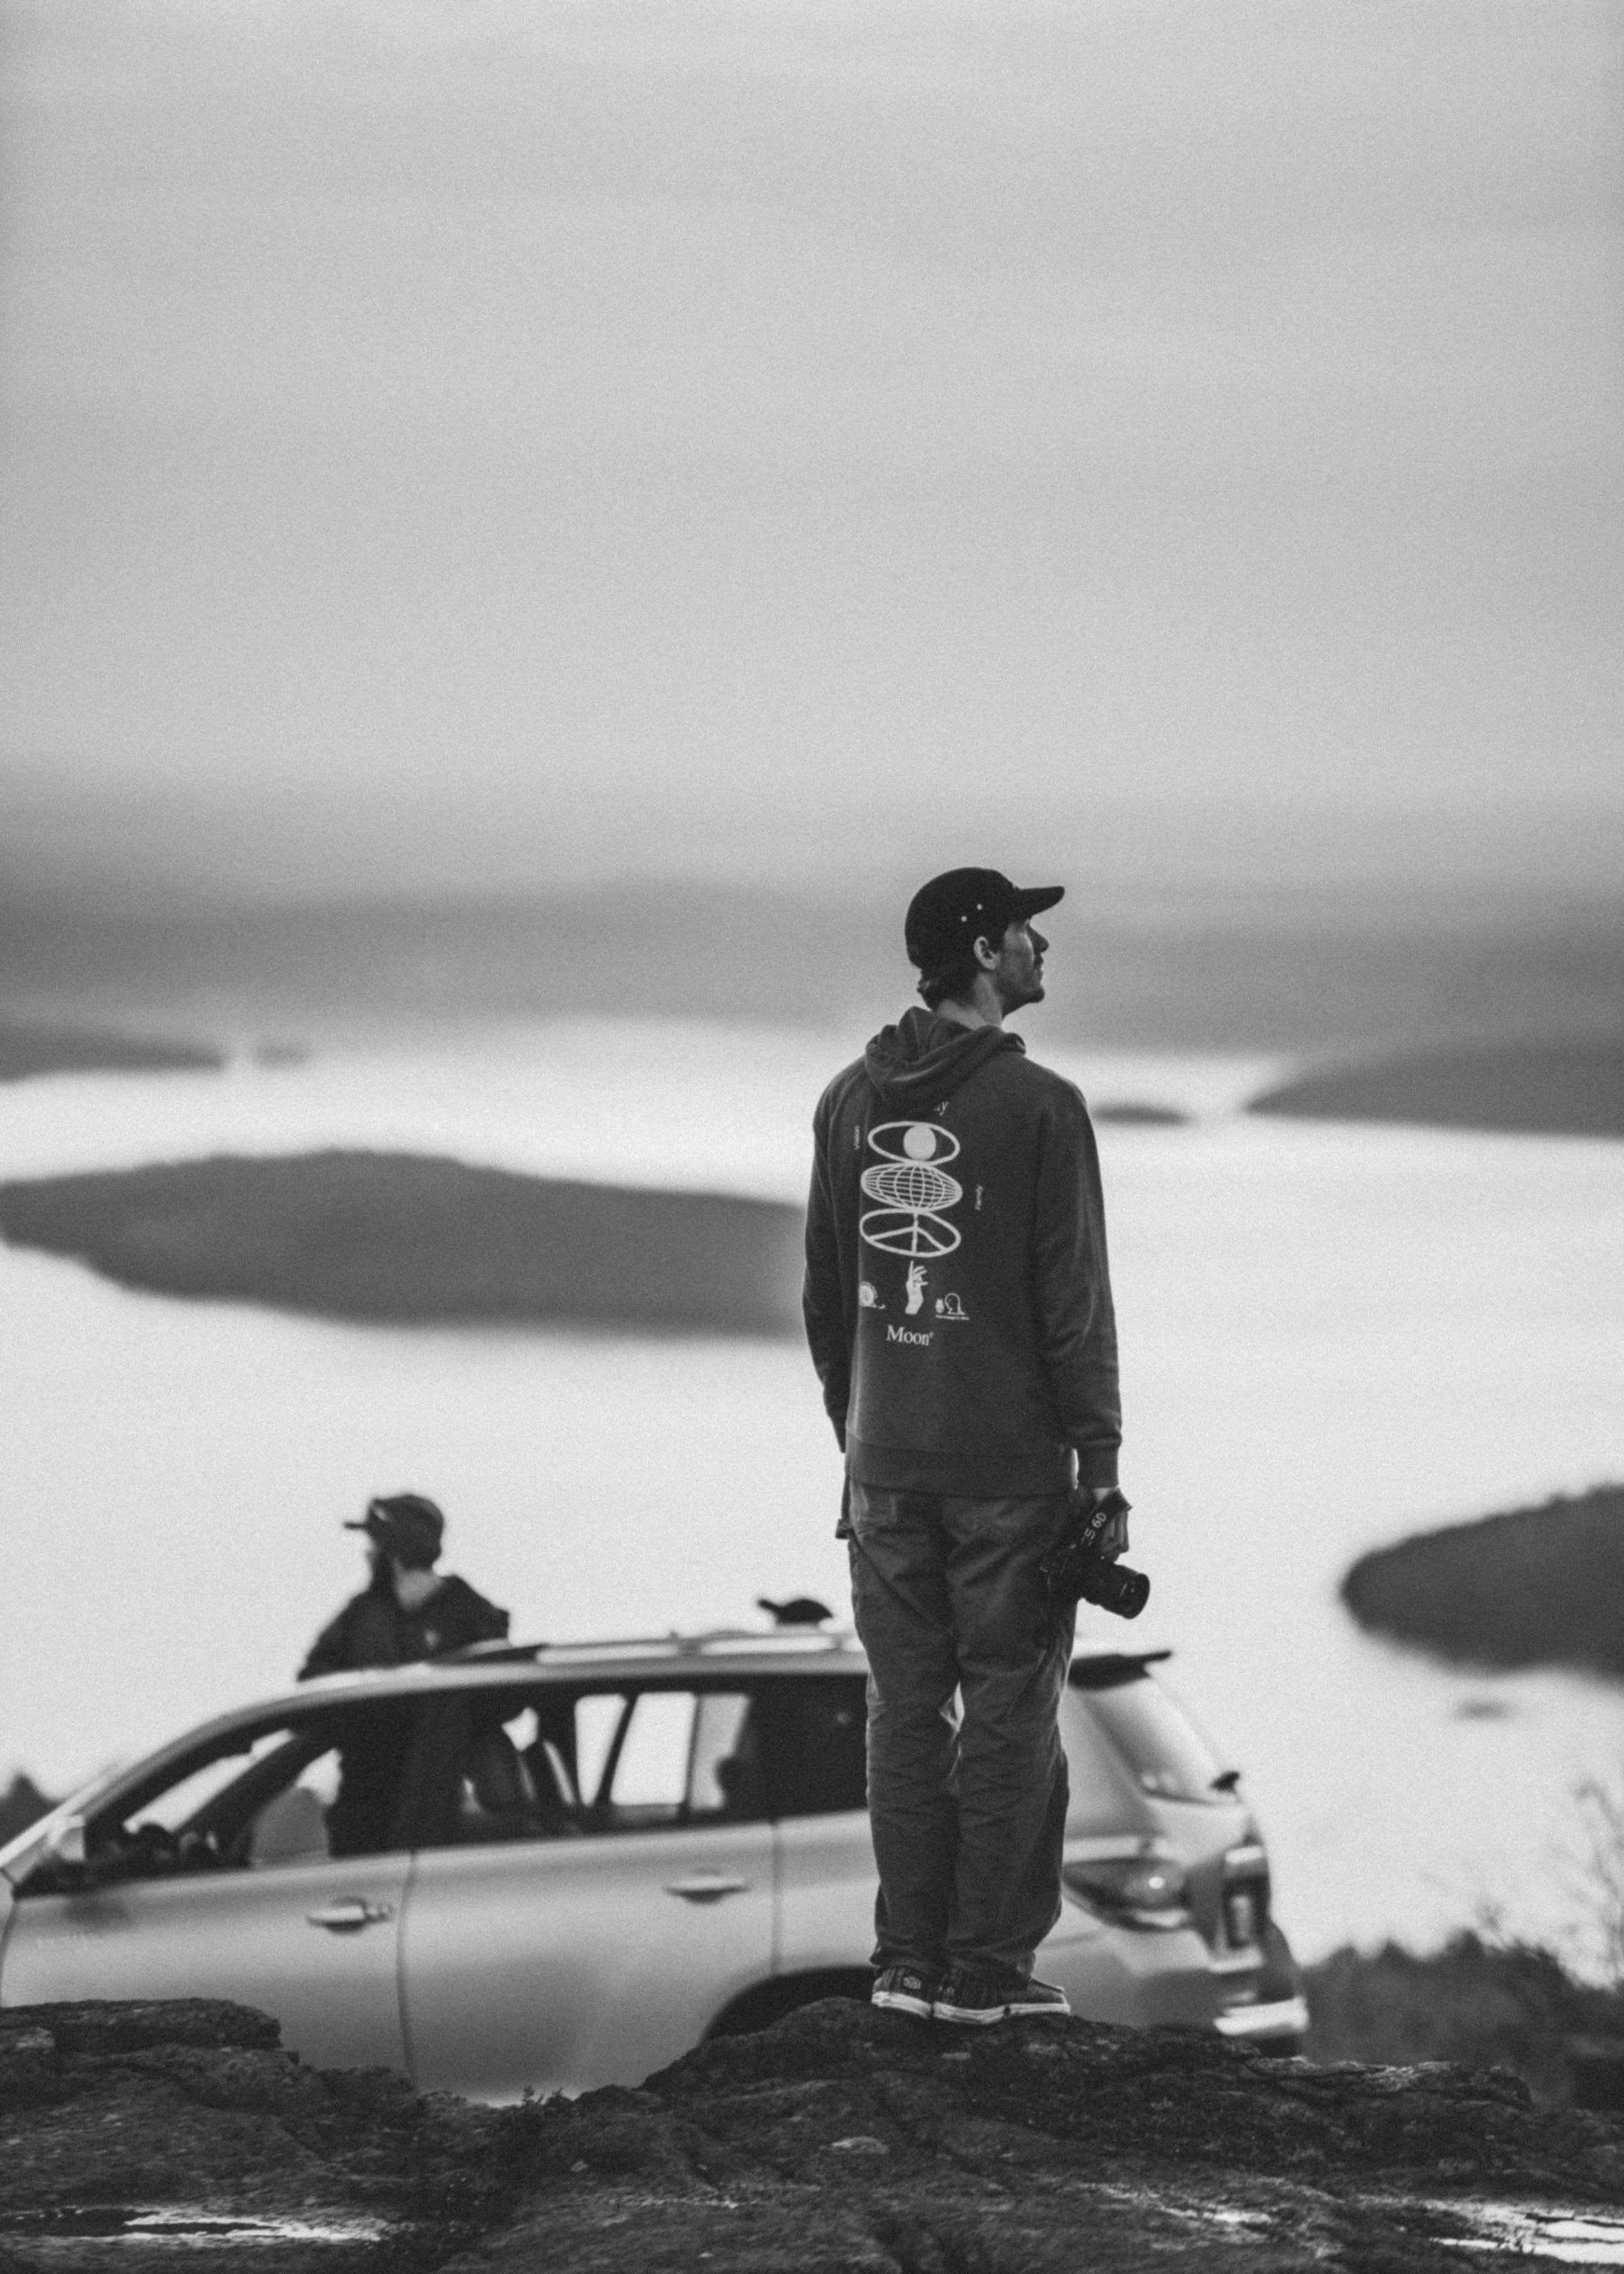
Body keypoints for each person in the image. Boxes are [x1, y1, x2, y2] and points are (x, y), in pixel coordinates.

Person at [803, 866, 1127, 2026]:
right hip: (1009, 1479)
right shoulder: (1042, 1109)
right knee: (1007, 1717)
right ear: (986, 951)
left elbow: (827, 1297)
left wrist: (862, 1437)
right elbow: (1072, 1306)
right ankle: (985, 1973)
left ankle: (906, 1966)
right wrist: (1101, 1470)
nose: (1044, 947)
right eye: (1028, 931)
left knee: (904, 1717)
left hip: (884, 1472)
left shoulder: (848, 1099)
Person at [298, 1492, 510, 1678]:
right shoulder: (360, 1617)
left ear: (393, 1549)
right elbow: (314, 1682)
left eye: (375, 1543)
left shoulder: (473, 1614)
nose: (368, 1553)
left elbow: (503, 1690)